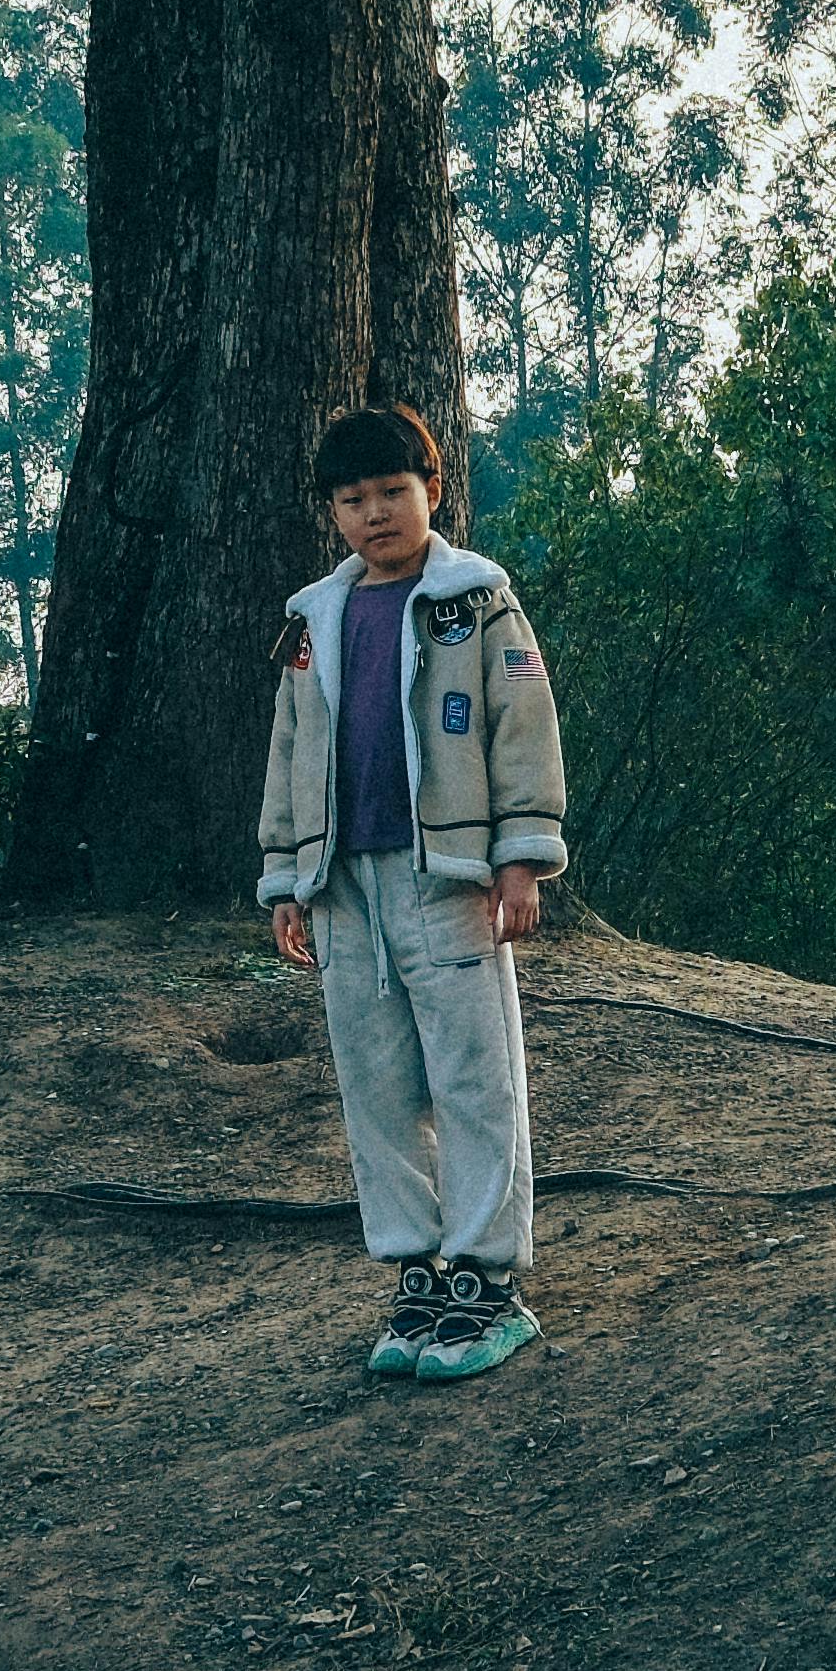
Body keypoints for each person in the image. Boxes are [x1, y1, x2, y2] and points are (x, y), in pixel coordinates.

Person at [253, 401, 571, 1380]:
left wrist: (519, 860)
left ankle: (486, 1281)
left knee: (475, 1080)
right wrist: (287, 879)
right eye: (355, 500)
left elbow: (522, 728)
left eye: (396, 491)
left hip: (451, 885)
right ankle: (417, 1279)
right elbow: (293, 749)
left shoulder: (477, 598)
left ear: (431, 490)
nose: (378, 514)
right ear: (334, 513)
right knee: (376, 1088)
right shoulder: (316, 615)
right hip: (347, 888)